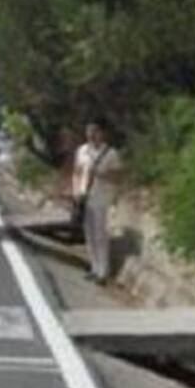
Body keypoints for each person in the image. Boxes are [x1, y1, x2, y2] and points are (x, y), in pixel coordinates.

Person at [72, 118, 123, 286]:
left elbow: (117, 177)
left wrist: (101, 174)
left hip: (101, 198)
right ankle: (94, 267)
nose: (91, 135)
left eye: (95, 131)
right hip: (84, 196)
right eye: (89, 132)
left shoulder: (111, 153)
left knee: (101, 234)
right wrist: (76, 191)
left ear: (102, 133)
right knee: (89, 234)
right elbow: (77, 172)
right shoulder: (82, 151)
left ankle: (103, 271)